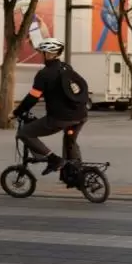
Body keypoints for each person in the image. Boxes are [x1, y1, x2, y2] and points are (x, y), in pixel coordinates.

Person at [12, 38, 89, 177]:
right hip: (81, 116)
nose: (41, 55)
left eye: (42, 52)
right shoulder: (66, 67)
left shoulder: (44, 74)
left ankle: (54, 160)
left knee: (24, 133)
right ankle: (77, 174)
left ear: (48, 54)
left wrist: (16, 112)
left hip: (60, 118)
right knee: (69, 140)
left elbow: (32, 98)